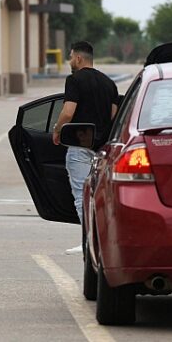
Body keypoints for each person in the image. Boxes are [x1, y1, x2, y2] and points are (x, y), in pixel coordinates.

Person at [52, 41, 118, 253]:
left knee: (82, 194)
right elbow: (114, 117)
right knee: (99, 195)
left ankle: (89, 242)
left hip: (79, 146)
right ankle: (100, 240)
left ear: (78, 58)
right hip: (102, 148)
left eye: (70, 57)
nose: (70, 61)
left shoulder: (74, 80)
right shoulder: (109, 83)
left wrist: (58, 129)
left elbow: (68, 111)